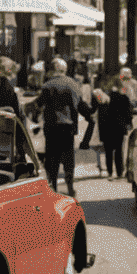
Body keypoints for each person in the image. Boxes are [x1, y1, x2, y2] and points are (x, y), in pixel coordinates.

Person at [33, 57, 92, 195]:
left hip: (52, 126)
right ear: (64, 70)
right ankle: (70, 187)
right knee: (68, 158)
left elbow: (39, 105)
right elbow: (79, 104)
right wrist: (90, 116)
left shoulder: (47, 85)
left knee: (52, 158)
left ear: (53, 69)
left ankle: (53, 186)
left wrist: (35, 118)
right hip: (68, 127)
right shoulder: (73, 84)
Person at [98, 76, 134, 179]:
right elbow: (128, 114)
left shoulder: (105, 99)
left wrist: (100, 132)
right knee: (119, 150)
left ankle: (110, 172)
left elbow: (101, 117)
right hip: (119, 128)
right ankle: (119, 172)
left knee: (108, 151)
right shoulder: (124, 98)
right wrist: (128, 124)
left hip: (107, 128)